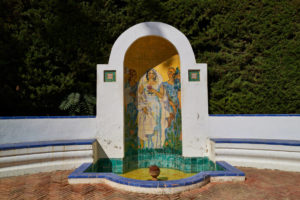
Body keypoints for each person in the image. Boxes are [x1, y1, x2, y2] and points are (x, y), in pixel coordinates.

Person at [137, 69, 169, 149]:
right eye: (149, 73)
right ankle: (147, 146)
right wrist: (143, 106)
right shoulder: (143, 84)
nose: (151, 75)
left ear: (155, 75)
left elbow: (162, 96)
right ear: (147, 75)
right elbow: (139, 96)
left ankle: (156, 145)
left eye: (152, 73)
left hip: (156, 107)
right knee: (147, 125)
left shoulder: (159, 84)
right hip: (147, 106)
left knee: (156, 125)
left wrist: (154, 91)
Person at [162, 67, 182, 152]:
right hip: (169, 105)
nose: (171, 74)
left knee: (176, 124)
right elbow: (164, 96)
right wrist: (172, 105)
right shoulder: (164, 84)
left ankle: (175, 142)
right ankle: (167, 142)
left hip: (176, 105)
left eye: (172, 72)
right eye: (169, 72)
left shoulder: (177, 84)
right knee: (169, 122)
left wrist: (179, 106)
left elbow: (179, 94)